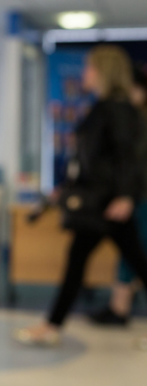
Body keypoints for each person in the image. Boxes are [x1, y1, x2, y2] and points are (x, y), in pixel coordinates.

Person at [15, 45, 147, 346]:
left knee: (132, 263)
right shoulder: (101, 108)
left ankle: (51, 325)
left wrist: (125, 197)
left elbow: (129, 157)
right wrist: (67, 186)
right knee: (94, 261)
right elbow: (90, 159)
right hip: (97, 201)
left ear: (103, 71)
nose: (84, 73)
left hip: (109, 204)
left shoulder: (119, 109)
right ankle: (51, 325)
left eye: (89, 67)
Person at [89, 67, 147, 326]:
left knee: (136, 253)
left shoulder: (137, 121)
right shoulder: (131, 119)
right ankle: (119, 306)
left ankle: (119, 307)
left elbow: (133, 163)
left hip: (140, 197)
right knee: (132, 252)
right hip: (135, 197)